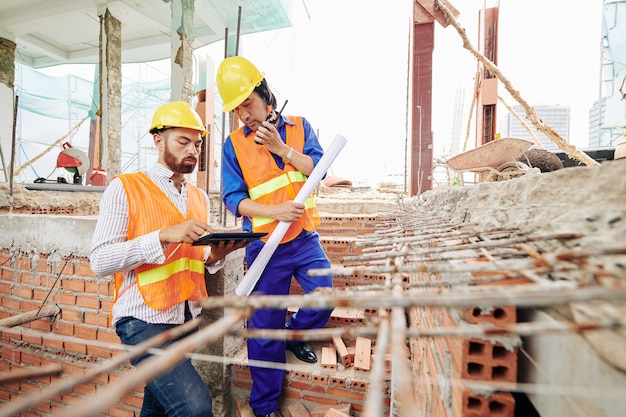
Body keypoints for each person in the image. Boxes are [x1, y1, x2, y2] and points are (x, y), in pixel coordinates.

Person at [90, 101, 247, 417]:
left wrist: (215, 255)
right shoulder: (125, 187)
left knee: (159, 406)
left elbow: (194, 256)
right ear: (158, 139)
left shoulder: (199, 197)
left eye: (198, 144)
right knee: (195, 408)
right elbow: (100, 261)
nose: (193, 150)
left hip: (184, 316)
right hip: (142, 320)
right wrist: (163, 235)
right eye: (183, 141)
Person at [216, 56, 334, 417]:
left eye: (247, 104)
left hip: (303, 238)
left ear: (265, 93)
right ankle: (264, 407)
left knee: (324, 296)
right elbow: (233, 199)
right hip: (265, 247)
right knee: (263, 332)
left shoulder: (299, 127)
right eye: (236, 110)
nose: (244, 116)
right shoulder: (233, 144)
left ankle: (295, 335)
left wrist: (281, 149)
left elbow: (321, 170)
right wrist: (274, 213)